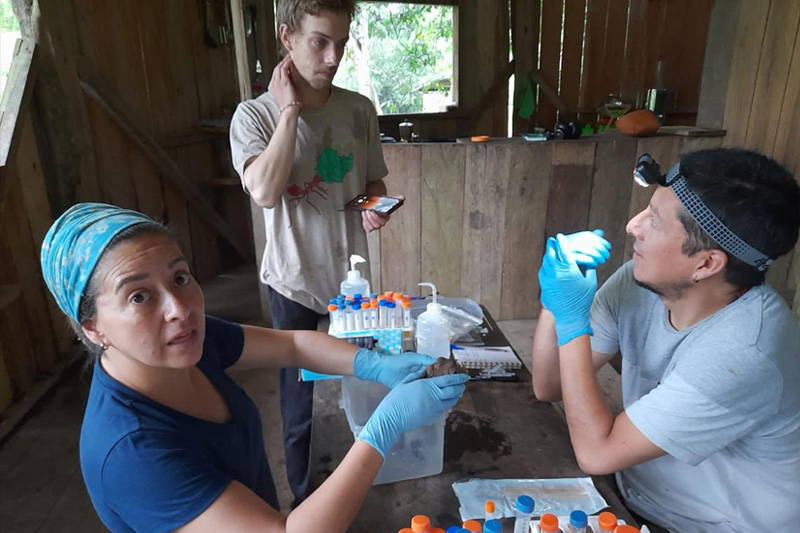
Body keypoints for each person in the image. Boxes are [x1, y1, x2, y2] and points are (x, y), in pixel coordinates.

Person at [40, 203, 467, 532]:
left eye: (180, 278)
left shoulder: (189, 343)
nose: (178, 309)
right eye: (138, 296)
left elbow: (294, 344)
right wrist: (384, 426)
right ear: (93, 327)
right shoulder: (132, 452)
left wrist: (372, 364)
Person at [531, 148, 800, 532]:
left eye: (654, 221)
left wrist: (573, 320)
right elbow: (549, 384)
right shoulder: (639, 281)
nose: (632, 225)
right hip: (638, 497)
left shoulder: (745, 352)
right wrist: (555, 298)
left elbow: (596, 452)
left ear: (706, 264)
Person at [229, 0, 394, 506]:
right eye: (320, 41)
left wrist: (374, 207)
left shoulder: (358, 108)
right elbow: (263, 190)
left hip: (351, 279)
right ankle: (304, 503)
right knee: (300, 405)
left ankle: (361, 489)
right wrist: (290, 110)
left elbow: (372, 181)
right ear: (287, 37)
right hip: (293, 279)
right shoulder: (253, 116)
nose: (333, 56)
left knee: (360, 386)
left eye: (341, 43)